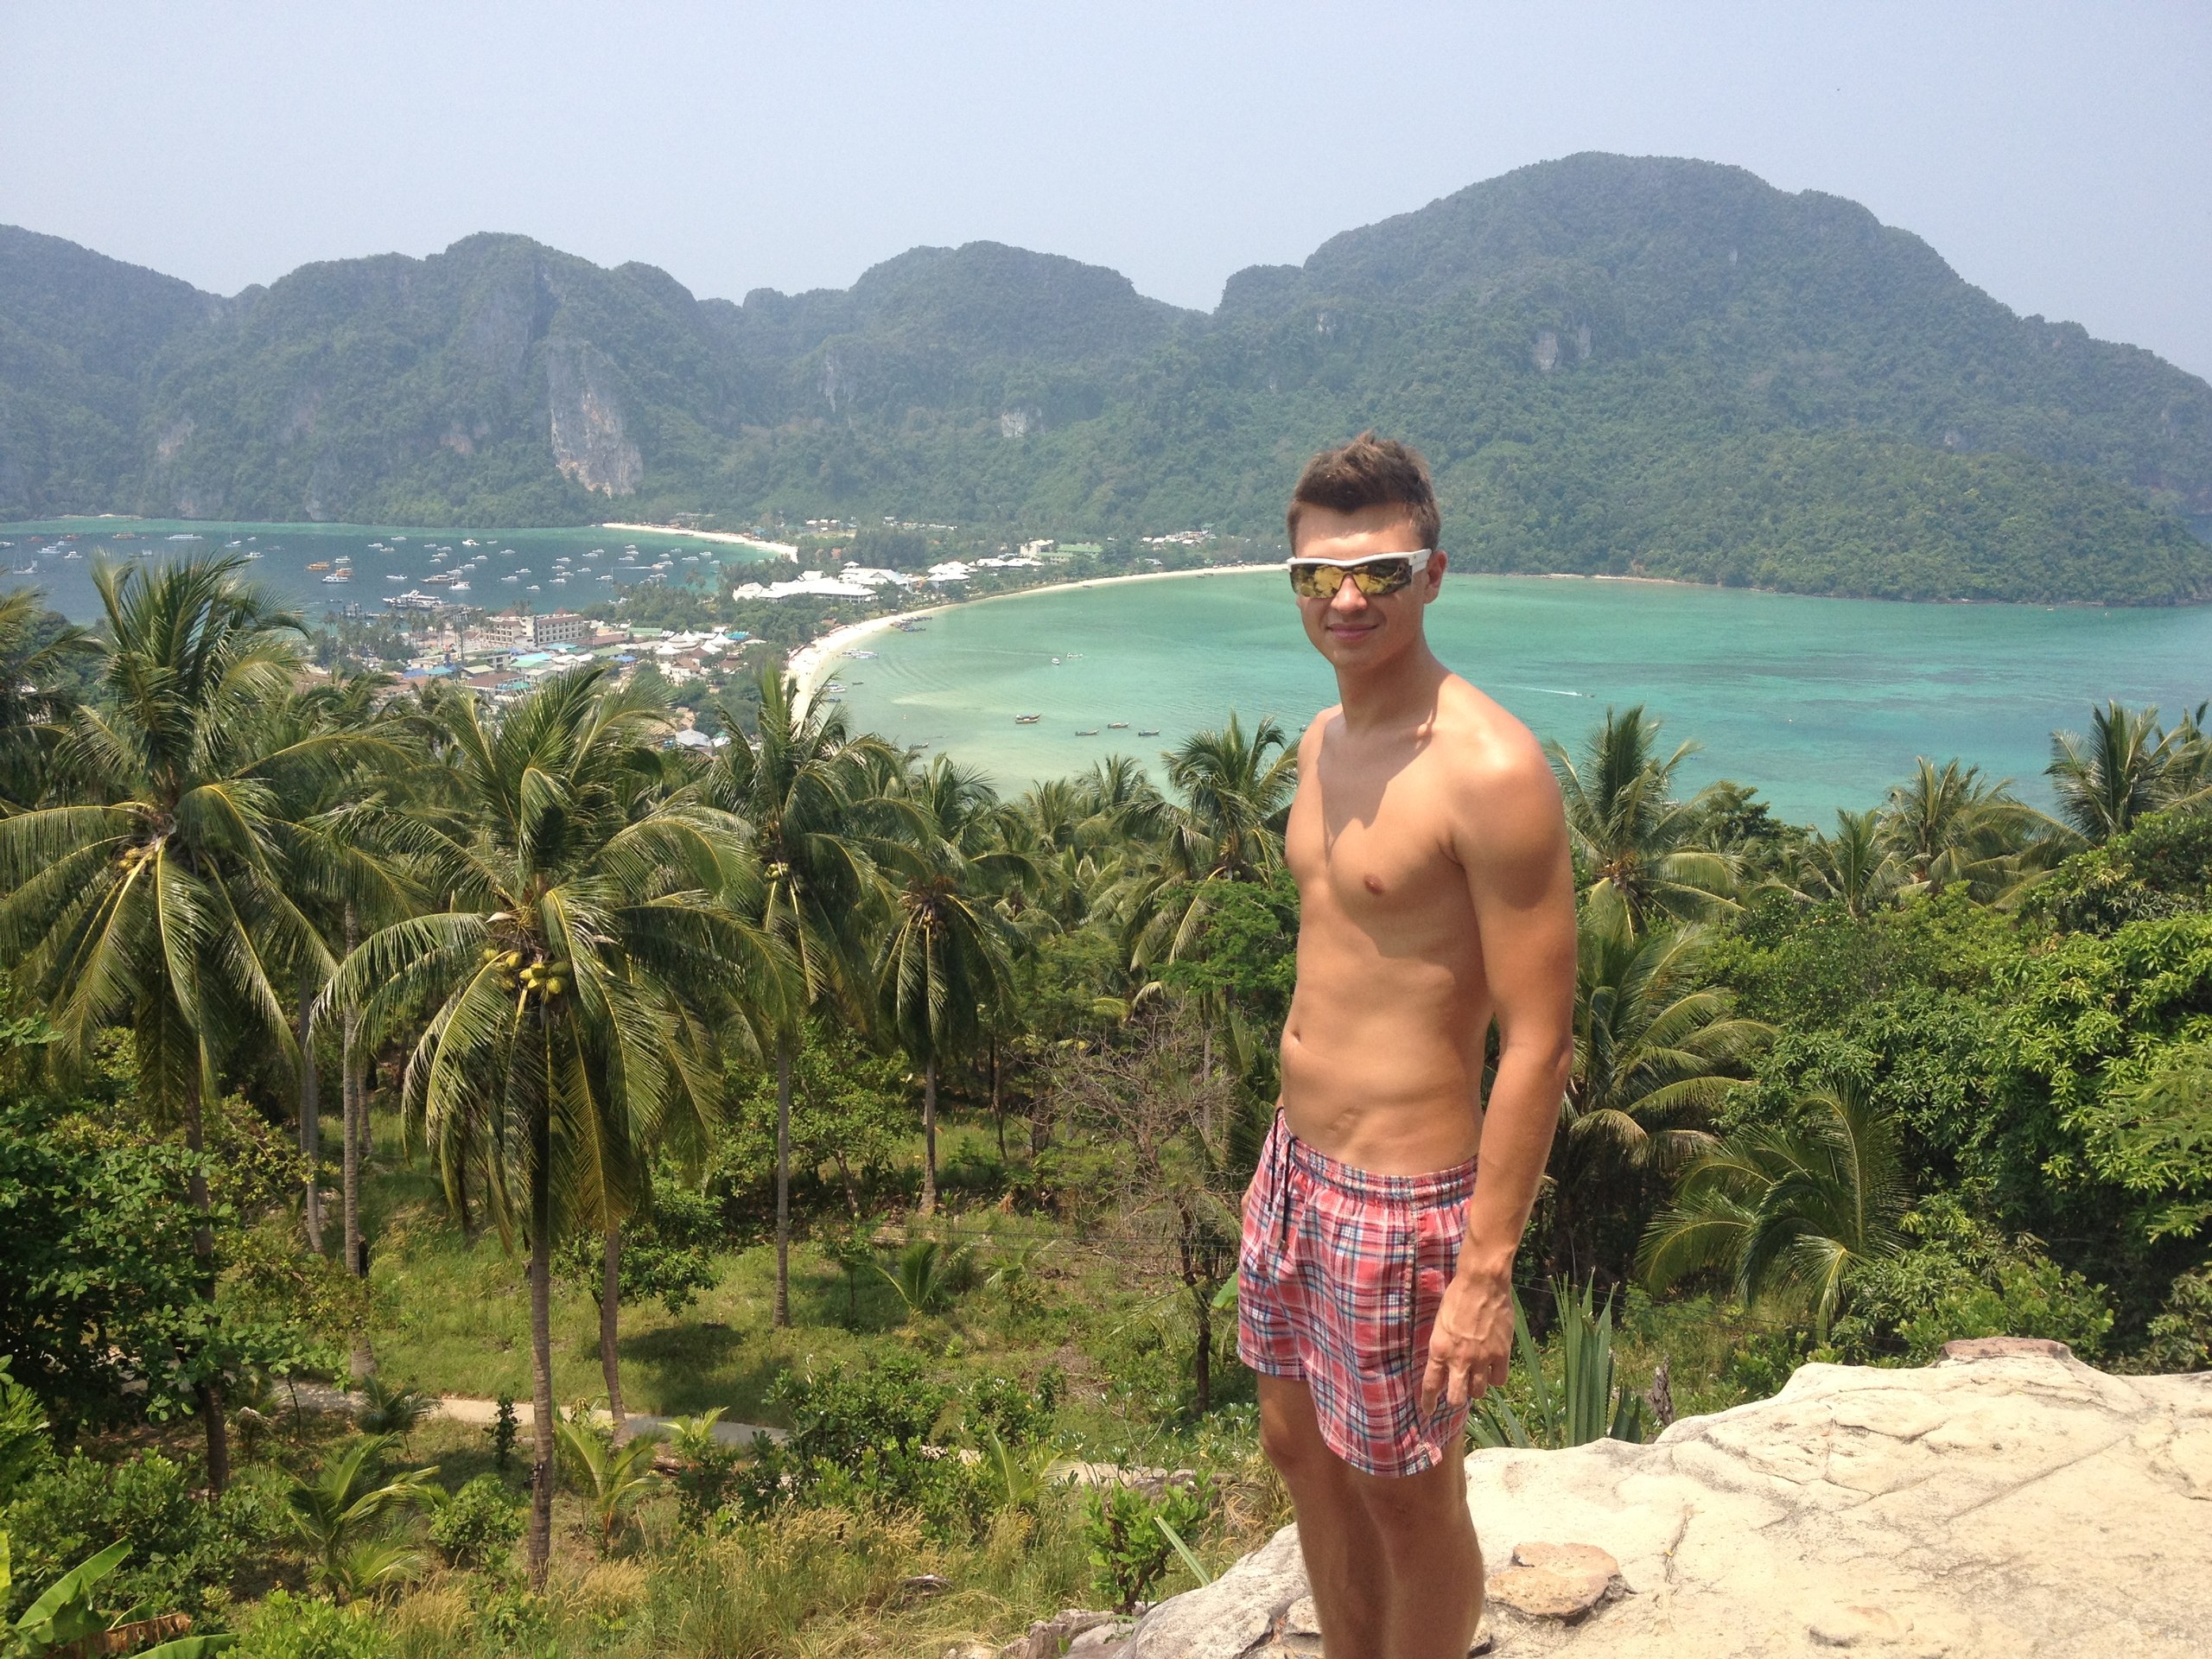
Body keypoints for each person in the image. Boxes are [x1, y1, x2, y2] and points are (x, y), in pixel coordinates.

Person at [1239, 434, 1577, 1658]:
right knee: (1297, 1449)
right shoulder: (1322, 744)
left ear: (1432, 575)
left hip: (1405, 1199)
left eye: (1380, 572)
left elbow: (1539, 1040)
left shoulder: (1490, 770)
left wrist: (1485, 1273)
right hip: (1296, 1168)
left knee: (1407, 1498)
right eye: (1318, 575)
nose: (1346, 599)